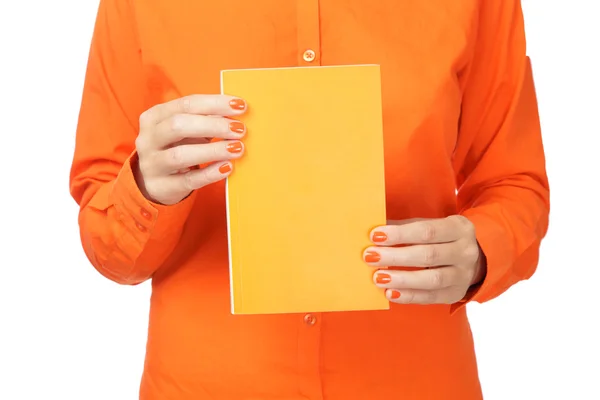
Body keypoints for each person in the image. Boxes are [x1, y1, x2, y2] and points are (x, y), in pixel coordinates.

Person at [69, 0, 550, 399]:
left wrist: (479, 250)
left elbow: (515, 184)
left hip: (413, 379)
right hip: (205, 383)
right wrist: (146, 187)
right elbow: (108, 245)